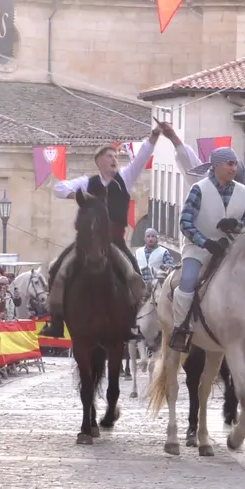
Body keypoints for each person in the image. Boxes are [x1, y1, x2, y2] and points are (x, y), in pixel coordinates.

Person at [40, 126, 162, 338]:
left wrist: (153, 137)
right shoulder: (87, 183)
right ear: (99, 162)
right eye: (109, 156)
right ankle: (56, 321)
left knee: (134, 274)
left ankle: (131, 323)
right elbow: (58, 188)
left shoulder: (125, 177)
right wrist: (77, 196)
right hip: (87, 242)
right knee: (56, 270)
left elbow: (142, 157)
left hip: (115, 241)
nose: (115, 159)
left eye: (116, 156)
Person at [169, 147, 245, 352]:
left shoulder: (242, 191)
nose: (234, 168)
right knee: (188, 280)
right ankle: (181, 328)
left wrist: (234, 225)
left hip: (230, 248)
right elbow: (185, 222)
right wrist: (205, 242)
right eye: (230, 164)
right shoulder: (199, 189)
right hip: (198, 248)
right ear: (217, 166)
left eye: (235, 164)